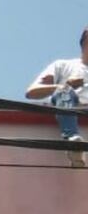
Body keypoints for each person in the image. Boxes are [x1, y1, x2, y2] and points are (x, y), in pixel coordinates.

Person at [26, 27, 88, 167]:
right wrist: (64, 85)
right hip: (71, 109)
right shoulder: (63, 66)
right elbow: (32, 92)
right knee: (64, 91)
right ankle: (73, 144)